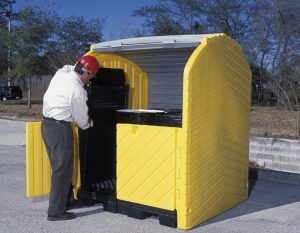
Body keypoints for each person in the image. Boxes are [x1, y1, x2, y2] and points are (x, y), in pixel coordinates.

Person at [41, 55, 100, 221]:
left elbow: (67, 66)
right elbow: (81, 121)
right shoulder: (78, 91)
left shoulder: (61, 73)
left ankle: (67, 200)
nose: (90, 80)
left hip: (46, 126)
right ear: (86, 73)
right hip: (60, 129)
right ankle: (56, 212)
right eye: (91, 76)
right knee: (62, 170)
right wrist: (91, 124)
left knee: (61, 167)